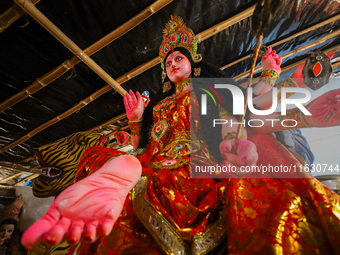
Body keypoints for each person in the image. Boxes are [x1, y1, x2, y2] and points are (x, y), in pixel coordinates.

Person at [22, 16, 340, 254]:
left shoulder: (211, 89)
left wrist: (237, 135)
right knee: (100, 158)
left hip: (198, 159)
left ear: (193, 61)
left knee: (276, 197)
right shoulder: (159, 106)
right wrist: (135, 122)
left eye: (179, 58)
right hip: (154, 161)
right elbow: (141, 146)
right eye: (168, 61)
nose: (173, 63)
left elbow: (239, 115)